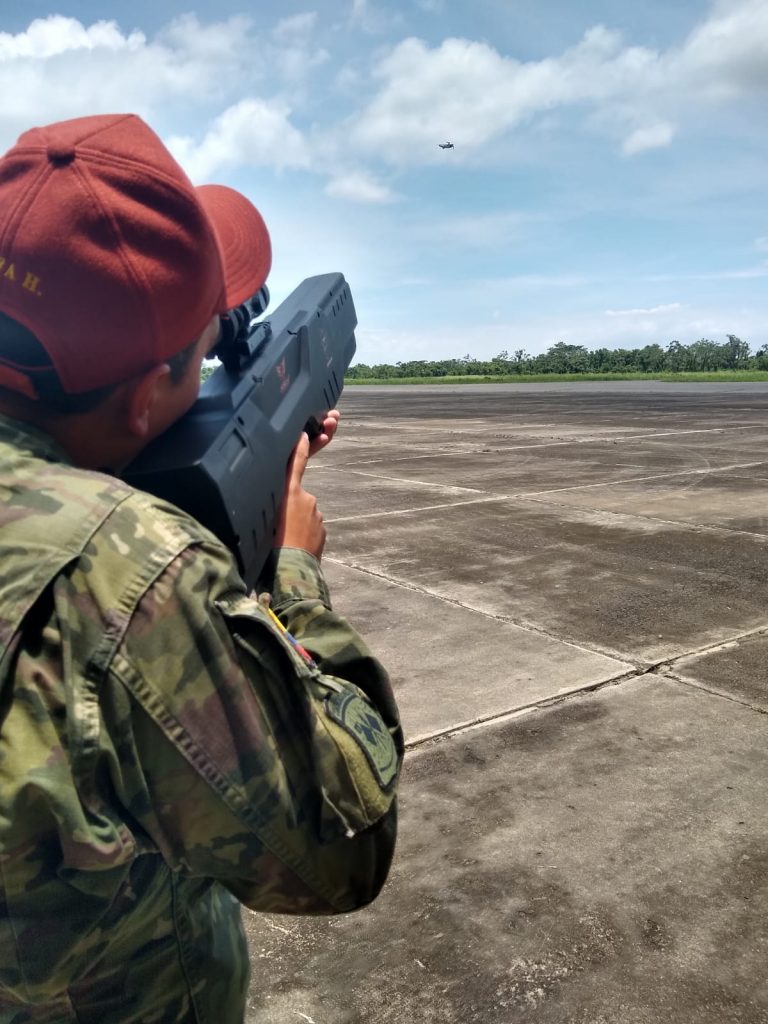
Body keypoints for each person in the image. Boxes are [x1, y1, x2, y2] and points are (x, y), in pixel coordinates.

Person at [0, 113, 403, 1024]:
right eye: (202, 357)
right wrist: (291, 576)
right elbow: (342, 849)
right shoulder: (133, 574)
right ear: (147, 397)